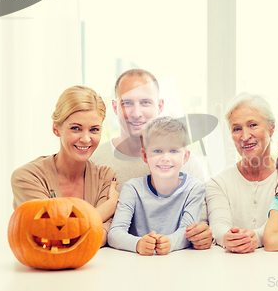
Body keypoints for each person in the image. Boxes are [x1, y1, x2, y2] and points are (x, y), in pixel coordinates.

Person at [90, 69, 211, 249]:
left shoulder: (186, 162)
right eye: (127, 103)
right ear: (115, 107)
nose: (137, 113)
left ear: (160, 106)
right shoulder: (96, 160)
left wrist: (204, 233)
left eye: (145, 102)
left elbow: (200, 222)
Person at [11, 86, 119, 247]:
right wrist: (108, 207)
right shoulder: (27, 177)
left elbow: (102, 236)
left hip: (93, 269)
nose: (85, 138)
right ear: (56, 128)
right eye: (76, 128)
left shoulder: (105, 177)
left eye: (94, 129)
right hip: (40, 270)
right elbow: (51, 236)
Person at [107, 117, 205, 255]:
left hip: (179, 263)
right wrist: (138, 244)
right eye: (157, 151)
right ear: (145, 156)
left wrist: (169, 242)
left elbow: (188, 231)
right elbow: (115, 233)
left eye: (174, 151)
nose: (165, 158)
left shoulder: (194, 188)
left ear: (185, 157)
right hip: (137, 263)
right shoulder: (132, 188)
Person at [206, 92, 277, 253]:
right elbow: (218, 224)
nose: (245, 136)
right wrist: (227, 237)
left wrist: (257, 237)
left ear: (271, 129)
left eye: (253, 125)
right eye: (237, 129)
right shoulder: (218, 183)